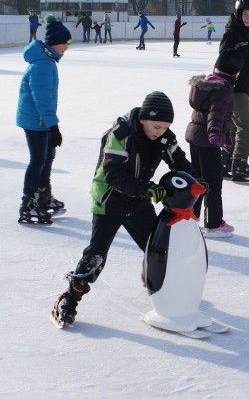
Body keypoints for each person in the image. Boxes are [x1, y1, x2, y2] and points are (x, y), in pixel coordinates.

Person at [52, 91, 197, 326]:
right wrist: (147, 189)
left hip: (137, 201)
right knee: (96, 256)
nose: (160, 131)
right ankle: (69, 299)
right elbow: (113, 174)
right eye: (156, 126)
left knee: (156, 248)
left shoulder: (164, 137)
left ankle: (155, 281)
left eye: (165, 127)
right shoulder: (121, 134)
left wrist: (196, 181)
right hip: (110, 201)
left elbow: (179, 161)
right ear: (142, 119)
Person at [16, 14, 72, 225]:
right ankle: (28, 204)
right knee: (38, 160)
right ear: (55, 43)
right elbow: (42, 100)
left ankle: (43, 197)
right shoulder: (42, 65)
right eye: (65, 43)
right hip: (36, 122)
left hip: (41, 121)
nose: (66, 47)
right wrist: (53, 126)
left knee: (47, 158)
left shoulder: (46, 61)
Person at [185, 48, 244, 238]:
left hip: (195, 136)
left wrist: (223, 134)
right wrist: (216, 134)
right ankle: (214, 223)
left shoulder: (208, 82)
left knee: (197, 180)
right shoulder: (224, 87)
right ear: (236, 72)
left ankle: (190, 217)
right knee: (213, 183)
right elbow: (216, 113)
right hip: (208, 141)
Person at [219, 0, 249, 182]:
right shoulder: (232, 34)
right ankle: (239, 163)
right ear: (238, 14)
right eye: (244, 14)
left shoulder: (245, 34)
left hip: (242, 87)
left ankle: (225, 161)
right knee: (246, 126)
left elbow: (248, 65)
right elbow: (223, 61)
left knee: (233, 126)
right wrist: (226, 85)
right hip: (233, 88)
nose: (247, 18)